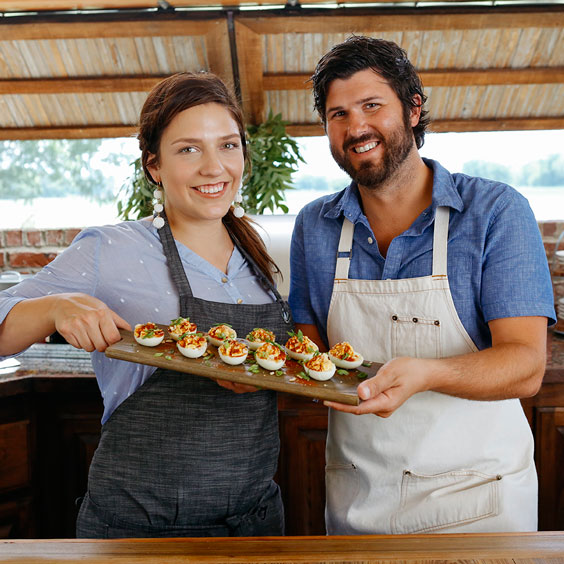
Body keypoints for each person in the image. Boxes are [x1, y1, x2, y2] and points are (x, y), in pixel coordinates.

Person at [0, 72, 293, 538]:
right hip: (140, 531)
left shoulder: (260, 252)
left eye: (228, 145)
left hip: (254, 525)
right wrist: (55, 307)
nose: (214, 167)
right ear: (154, 165)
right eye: (188, 149)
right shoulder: (111, 248)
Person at [289, 36, 556, 535]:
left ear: (413, 109)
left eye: (372, 106)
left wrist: (424, 374)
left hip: (479, 502)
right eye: (338, 114)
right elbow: (310, 342)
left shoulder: (495, 211)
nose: (356, 127)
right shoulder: (315, 224)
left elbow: (524, 365)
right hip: (358, 500)